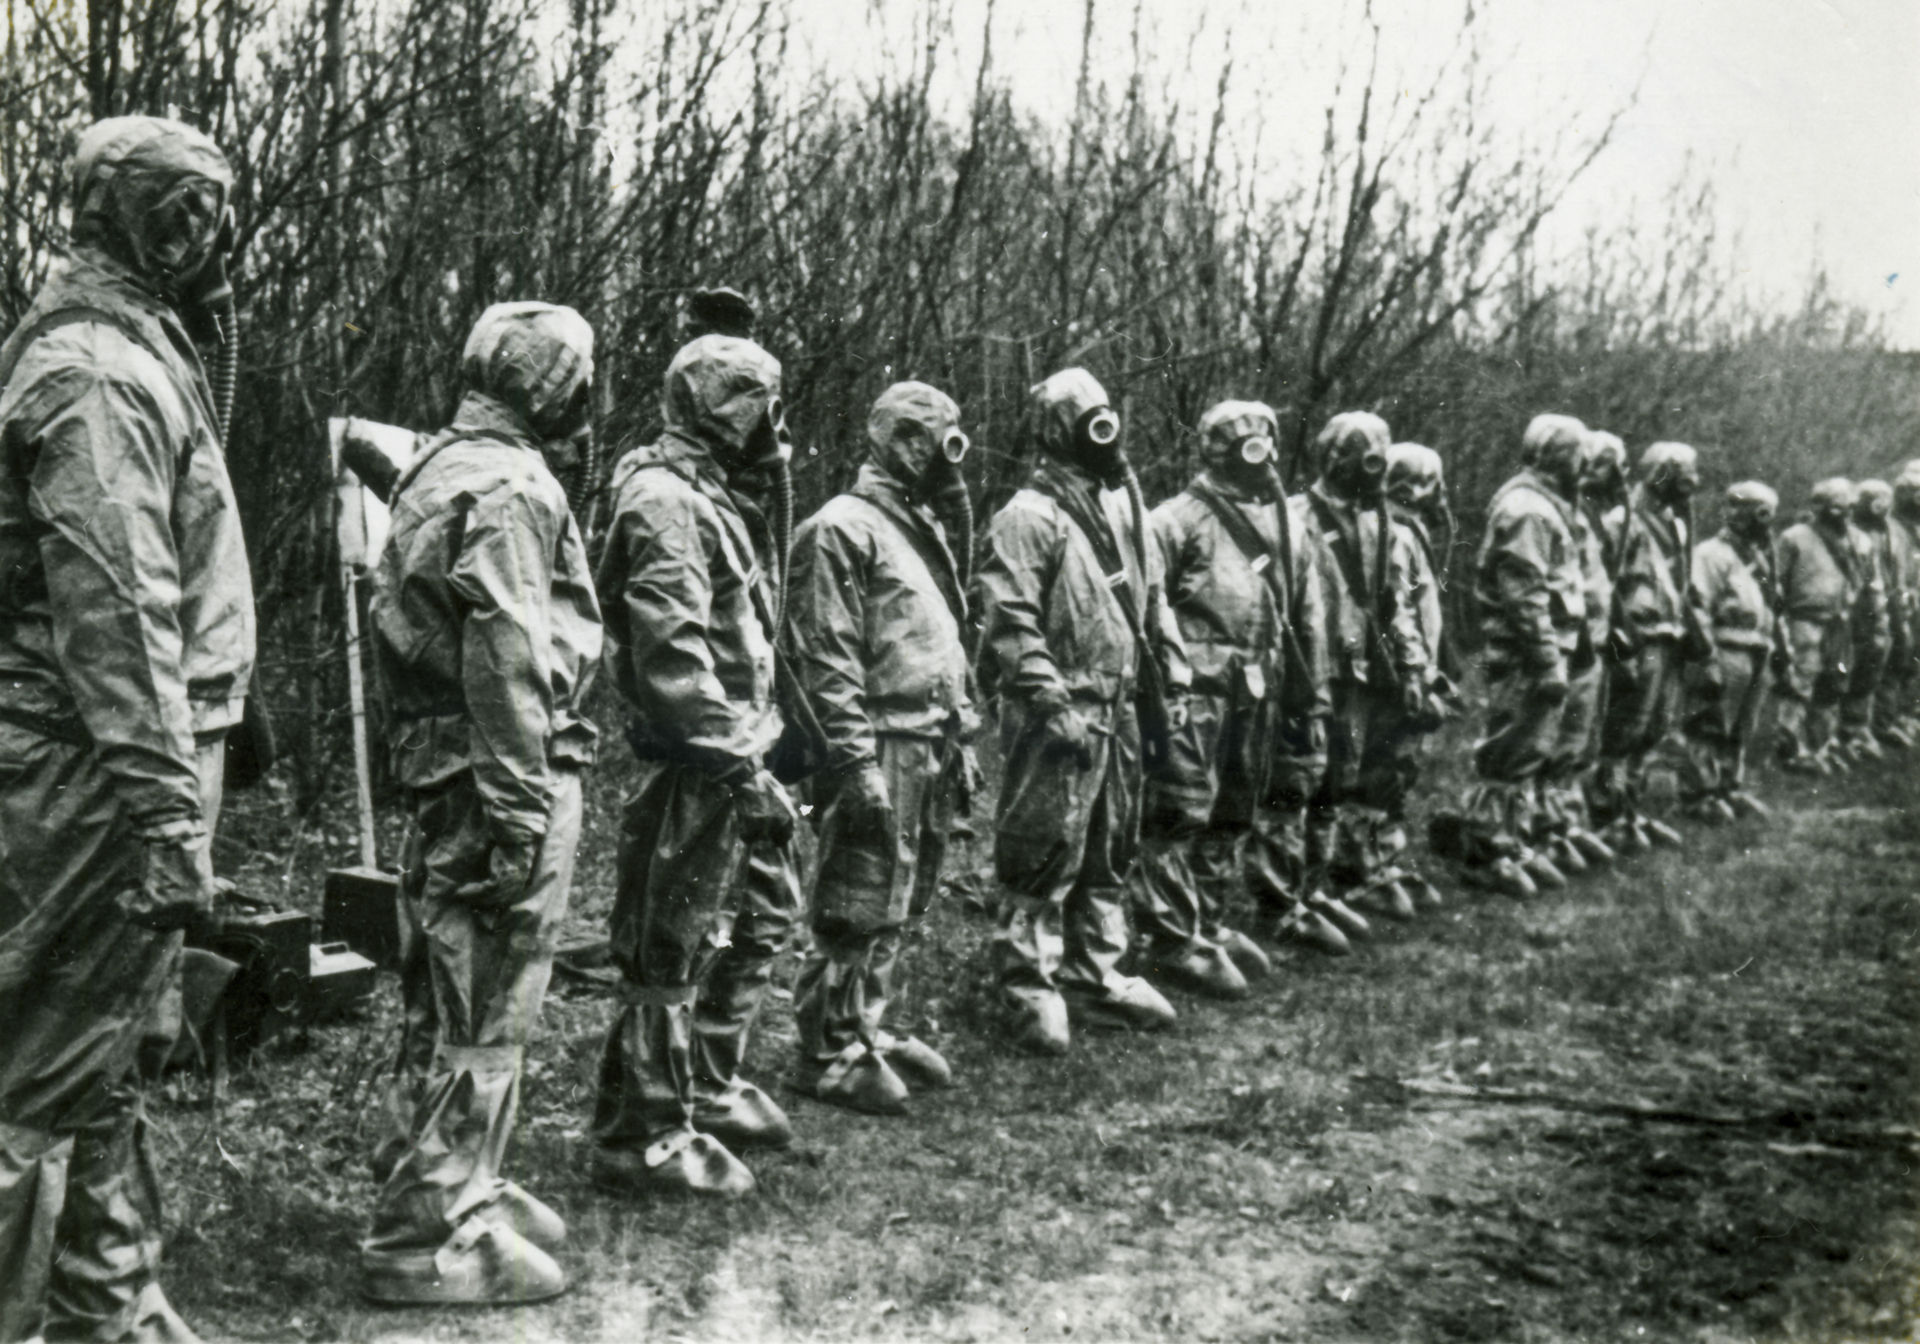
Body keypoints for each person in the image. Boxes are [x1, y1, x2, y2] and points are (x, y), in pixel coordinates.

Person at [0, 115, 250, 1344]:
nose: (218, 239)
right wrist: (163, 810)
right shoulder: (95, 371)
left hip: (116, 766)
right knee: (40, 1081)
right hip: (92, 778)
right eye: (195, 211)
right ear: (149, 218)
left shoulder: (129, 352)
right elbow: (118, 609)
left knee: (98, 1065)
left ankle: (108, 1312)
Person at [359, 302, 603, 1304]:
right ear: (552, 389)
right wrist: (520, 812)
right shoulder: (511, 485)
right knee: (486, 1005)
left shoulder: (442, 468)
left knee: (453, 988)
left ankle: (464, 1183)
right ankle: (431, 1236)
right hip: (494, 773)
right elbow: (505, 658)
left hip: (449, 769)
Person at [591, 334, 800, 1198]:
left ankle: (694, 1094)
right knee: (665, 948)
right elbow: (673, 661)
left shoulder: (703, 496)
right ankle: (641, 1136)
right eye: (762, 404)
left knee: (718, 929)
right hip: (699, 764)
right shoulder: (667, 501)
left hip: (724, 757)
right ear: (730, 408)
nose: (775, 427)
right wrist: (739, 768)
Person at [976, 367, 1190, 1055]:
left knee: (1111, 844)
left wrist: (1174, 681)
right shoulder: (1028, 517)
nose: (1103, 432)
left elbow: (1153, 602)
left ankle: (1096, 970)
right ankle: (1026, 983)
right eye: (1085, 420)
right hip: (1062, 708)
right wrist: (1048, 699)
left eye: (1105, 416)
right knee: (1044, 846)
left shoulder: (1123, 508)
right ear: (1056, 430)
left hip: (1120, 703)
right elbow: (1010, 621)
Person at [784, 382, 976, 1113]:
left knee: (901, 895)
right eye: (930, 437)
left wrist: (964, 722)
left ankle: (869, 1023)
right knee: (857, 896)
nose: (943, 454)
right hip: (880, 738)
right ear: (897, 440)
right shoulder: (841, 528)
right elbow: (827, 659)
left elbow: (942, 634)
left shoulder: (915, 526)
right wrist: (853, 761)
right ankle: (825, 1049)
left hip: (928, 738)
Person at [1131, 400, 1342, 990]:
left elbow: (1308, 616)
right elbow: (1149, 610)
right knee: (1178, 810)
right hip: (1196, 694)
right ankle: (1167, 935)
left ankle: (1209, 919)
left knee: (1232, 812)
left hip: (1257, 690)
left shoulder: (1286, 525)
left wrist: (1313, 696)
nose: (1257, 451)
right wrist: (1164, 687)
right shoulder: (1176, 521)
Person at [1440, 414, 1593, 898]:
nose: (1584, 462)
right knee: (1509, 753)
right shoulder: (1528, 510)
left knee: (1529, 753)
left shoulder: (1548, 506)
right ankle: (1485, 853)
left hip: (1543, 651)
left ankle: (1509, 842)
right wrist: (1547, 661)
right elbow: (1524, 597)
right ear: (1549, 456)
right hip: (1526, 656)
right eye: (1575, 452)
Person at [1303, 412, 1431, 923]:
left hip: (1364, 671)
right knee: (1312, 780)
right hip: (1317, 669)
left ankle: (1341, 874)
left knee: (1349, 779)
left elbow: (1396, 603)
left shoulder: (1383, 528)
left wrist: (1414, 668)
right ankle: (1301, 886)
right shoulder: (1297, 520)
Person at [1591, 441, 1703, 852]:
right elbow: (1605, 584)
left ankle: (1630, 808)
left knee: (1654, 727)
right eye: (1683, 473)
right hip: (1638, 638)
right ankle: (1606, 810)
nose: (1692, 482)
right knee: (1624, 727)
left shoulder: (1676, 524)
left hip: (1668, 635)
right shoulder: (1622, 522)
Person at [1370, 442, 1459, 904]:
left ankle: (1387, 857)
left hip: (1413, 665)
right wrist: (1416, 673)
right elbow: (1397, 608)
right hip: (1396, 673)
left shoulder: (1407, 528)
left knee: (1399, 769)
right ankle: (1372, 863)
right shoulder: (1395, 532)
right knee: (1386, 770)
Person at [1541, 429, 1625, 873]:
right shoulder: (1558, 512)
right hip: (1568, 641)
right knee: (1554, 738)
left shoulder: (1589, 514)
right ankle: (1543, 824)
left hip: (1591, 639)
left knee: (1578, 737)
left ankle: (1566, 819)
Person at [1680, 481, 1780, 822]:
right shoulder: (1712, 555)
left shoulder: (1763, 556)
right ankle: (1699, 793)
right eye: (1740, 506)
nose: (1749, 516)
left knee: (1742, 726)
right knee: (1711, 723)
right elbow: (1696, 605)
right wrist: (1705, 655)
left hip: (1757, 646)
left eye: (1757, 509)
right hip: (1726, 646)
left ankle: (1729, 787)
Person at [1774, 478, 1859, 775]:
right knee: (1800, 681)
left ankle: (1820, 745)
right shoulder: (1795, 537)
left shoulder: (1855, 539)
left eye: (1848, 507)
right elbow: (1776, 581)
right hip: (1804, 619)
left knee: (1833, 685)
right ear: (1819, 506)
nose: (1843, 514)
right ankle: (1791, 746)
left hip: (1838, 621)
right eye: (1835, 506)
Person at [1838, 479, 1900, 762]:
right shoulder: (1850, 535)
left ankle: (1860, 725)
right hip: (1853, 610)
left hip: (1879, 605)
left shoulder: (1888, 531)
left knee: (1874, 664)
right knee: (1847, 667)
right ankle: (1842, 730)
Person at [1884, 461, 1920, 748]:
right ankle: (1887, 716)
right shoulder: (1891, 528)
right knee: (1898, 656)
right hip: (1899, 599)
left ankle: (1909, 711)